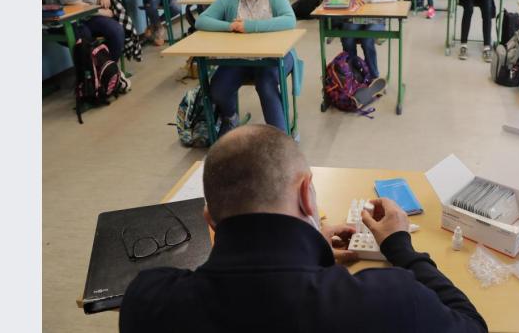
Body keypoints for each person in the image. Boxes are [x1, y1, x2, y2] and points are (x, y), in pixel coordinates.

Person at [119, 124, 487, 333]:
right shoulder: (388, 300)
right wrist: (399, 247)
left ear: (209, 220)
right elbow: (472, 325)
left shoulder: (147, 303)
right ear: (307, 196)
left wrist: (315, 254)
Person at [194, 0, 297, 135]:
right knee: (218, 88)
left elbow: (289, 20)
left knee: (266, 85)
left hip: (275, 56)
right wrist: (230, 26)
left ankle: (281, 136)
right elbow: (202, 20)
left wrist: (250, 26)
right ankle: (231, 117)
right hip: (241, 58)